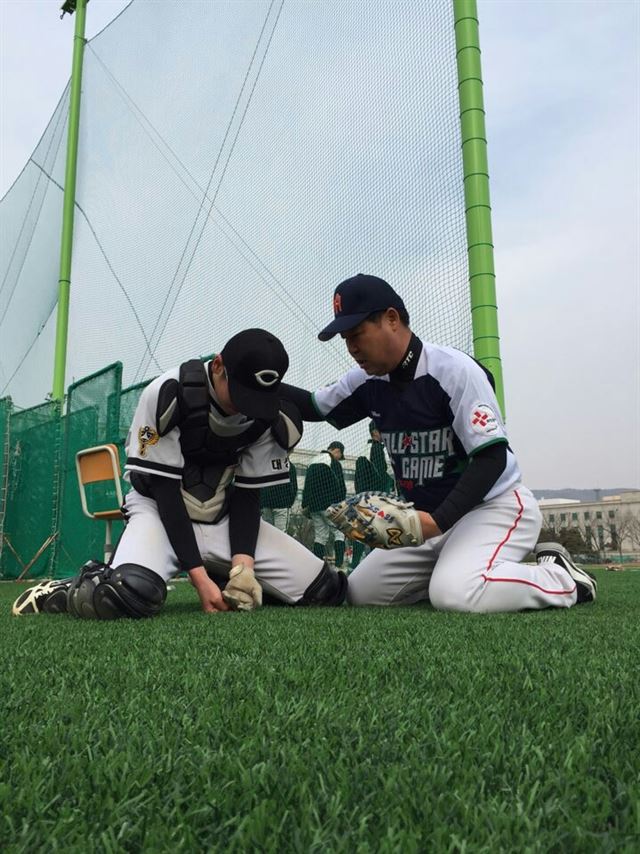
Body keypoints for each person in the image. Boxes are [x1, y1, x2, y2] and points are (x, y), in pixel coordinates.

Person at [280, 274, 597, 612]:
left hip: (492, 507)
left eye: (357, 333)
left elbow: (492, 460)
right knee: (362, 593)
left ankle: (563, 579)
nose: (351, 346)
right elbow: (313, 407)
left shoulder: (453, 370)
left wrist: (435, 523)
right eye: (346, 338)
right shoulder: (366, 379)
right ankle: (452, 572)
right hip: (427, 520)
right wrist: (248, 379)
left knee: (455, 594)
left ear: (391, 318)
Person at [12, 329, 347, 619]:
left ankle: (224, 573)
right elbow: (165, 490)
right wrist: (198, 577)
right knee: (123, 595)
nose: (248, 406)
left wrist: (243, 568)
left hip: (223, 518)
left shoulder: (268, 414)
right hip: (159, 511)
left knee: (324, 591)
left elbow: (247, 494)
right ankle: (64, 589)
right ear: (218, 366)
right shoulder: (167, 392)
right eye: (242, 392)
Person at [351, 421, 395, 569]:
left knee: (362, 532)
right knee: (376, 532)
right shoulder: (375, 449)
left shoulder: (365, 449)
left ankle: (355, 564)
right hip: (373, 497)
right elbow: (381, 474)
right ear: (375, 432)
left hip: (362, 496)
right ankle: (374, 565)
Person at [301, 441, 347, 569]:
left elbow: (306, 485)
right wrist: (340, 504)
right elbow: (340, 486)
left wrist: (306, 504)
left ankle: (317, 566)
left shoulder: (313, 461)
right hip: (329, 505)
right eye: (340, 455)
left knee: (320, 536)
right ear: (337, 450)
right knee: (339, 533)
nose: (339, 458)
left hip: (314, 506)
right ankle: (339, 566)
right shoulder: (333, 462)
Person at [260, 460, 298, 533]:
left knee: (267, 533)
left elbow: (261, 483)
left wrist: (261, 503)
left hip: (267, 503)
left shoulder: (267, 463)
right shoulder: (289, 465)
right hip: (282, 504)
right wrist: (289, 502)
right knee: (281, 534)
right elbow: (294, 486)